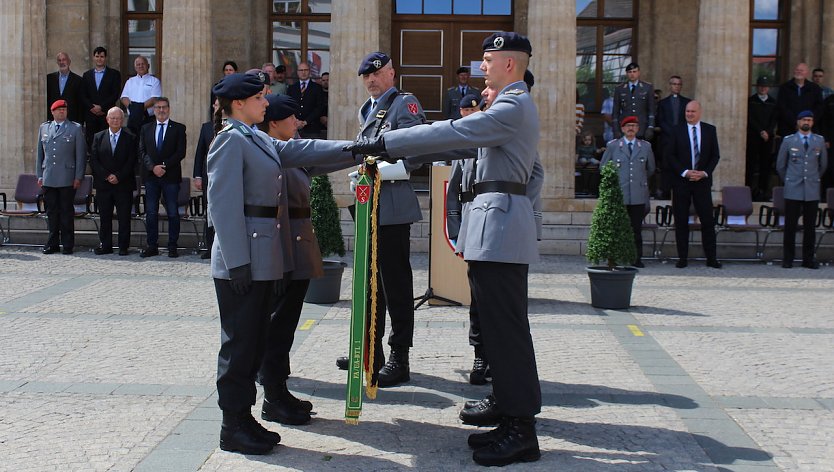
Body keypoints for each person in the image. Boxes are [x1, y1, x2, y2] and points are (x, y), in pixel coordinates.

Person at [345, 32, 542, 467]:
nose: (480, 67)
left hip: (502, 227)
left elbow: (459, 129)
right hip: (494, 226)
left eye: (487, 60)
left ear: (509, 64)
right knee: (495, 326)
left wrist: (389, 143)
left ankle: (521, 429)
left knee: (506, 330)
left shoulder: (512, 103)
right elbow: (460, 143)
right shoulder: (507, 107)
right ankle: (508, 411)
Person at [208, 73, 356, 455]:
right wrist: (238, 262)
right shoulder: (229, 140)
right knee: (239, 345)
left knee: (255, 340)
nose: (266, 102)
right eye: (260, 97)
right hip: (243, 260)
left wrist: (360, 148)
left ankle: (246, 417)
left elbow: (306, 152)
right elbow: (222, 207)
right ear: (238, 104)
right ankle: (233, 424)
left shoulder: (256, 138)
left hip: (262, 258)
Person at [256, 94, 361, 426]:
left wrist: (364, 150)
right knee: (276, 323)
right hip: (282, 247)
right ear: (274, 122)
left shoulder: (292, 149)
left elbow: (326, 158)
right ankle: (272, 395)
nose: (297, 124)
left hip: (297, 245)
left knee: (286, 321)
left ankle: (280, 388)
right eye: (291, 119)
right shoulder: (270, 151)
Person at [334, 51, 427, 389]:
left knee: (395, 284)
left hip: (392, 207)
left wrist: (376, 172)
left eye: (377, 74)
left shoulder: (404, 104)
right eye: (366, 76)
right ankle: (369, 353)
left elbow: (415, 153)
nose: (371, 80)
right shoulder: (367, 110)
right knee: (370, 284)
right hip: (369, 206)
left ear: (391, 73)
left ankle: (399, 356)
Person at [665, 100, 722, 269]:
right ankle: (682, 258)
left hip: (702, 183)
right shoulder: (676, 131)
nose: (689, 114)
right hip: (682, 182)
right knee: (681, 221)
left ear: (699, 112)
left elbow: (715, 155)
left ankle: (711, 258)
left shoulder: (710, 130)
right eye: (687, 111)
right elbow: (670, 155)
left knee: (707, 221)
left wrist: (704, 173)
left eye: (692, 111)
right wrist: (685, 172)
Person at [600, 116, 656, 267]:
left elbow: (651, 169)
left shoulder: (645, 147)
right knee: (617, 229)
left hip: (638, 195)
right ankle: (616, 258)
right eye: (628, 126)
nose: (631, 128)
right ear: (622, 129)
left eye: (634, 126)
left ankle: (636, 258)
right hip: (620, 195)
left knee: (636, 229)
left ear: (638, 129)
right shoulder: (613, 146)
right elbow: (603, 167)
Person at [776, 110, 828, 269]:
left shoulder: (819, 140)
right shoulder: (788, 140)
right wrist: (789, 180)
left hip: (811, 189)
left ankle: (808, 259)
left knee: (810, 227)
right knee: (790, 225)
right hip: (793, 188)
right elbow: (780, 165)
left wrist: (812, 178)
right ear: (798, 122)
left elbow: (823, 165)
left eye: (810, 120)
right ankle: (788, 259)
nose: (807, 122)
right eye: (804, 119)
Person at [138, 97, 186, 258]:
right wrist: (153, 167)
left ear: (169, 108)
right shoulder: (146, 128)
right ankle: (152, 245)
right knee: (151, 212)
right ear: (154, 110)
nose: (161, 110)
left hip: (170, 176)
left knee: (172, 212)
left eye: (164, 107)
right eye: (158, 107)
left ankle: (173, 245)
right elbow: (142, 152)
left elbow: (180, 152)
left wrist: (164, 165)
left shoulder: (178, 128)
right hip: (151, 177)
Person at [37, 100, 86, 255]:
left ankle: (67, 244)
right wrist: (39, 175)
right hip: (49, 177)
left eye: (64, 110)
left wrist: (78, 176)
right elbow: (40, 154)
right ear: (52, 112)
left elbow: (80, 155)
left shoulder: (75, 128)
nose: (62, 112)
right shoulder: (44, 127)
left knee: (66, 212)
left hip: (67, 176)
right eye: (58, 110)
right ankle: (52, 243)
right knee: (51, 212)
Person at [89, 107, 137, 256]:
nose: (115, 121)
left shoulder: (131, 138)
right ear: (107, 119)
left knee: (124, 217)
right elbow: (94, 159)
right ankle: (106, 245)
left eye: (118, 118)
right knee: (105, 217)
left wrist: (118, 176)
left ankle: (123, 246)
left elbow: (132, 161)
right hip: (104, 185)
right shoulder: (98, 137)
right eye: (113, 118)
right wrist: (106, 175)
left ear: (122, 121)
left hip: (123, 184)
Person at [655, 75, 691, 199]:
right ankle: (665, 191)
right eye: (674, 84)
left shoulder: (687, 102)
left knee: (681, 165)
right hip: (667, 139)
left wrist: (679, 133)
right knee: (666, 165)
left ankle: (680, 191)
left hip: (682, 140)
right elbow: (661, 120)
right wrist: (672, 132)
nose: (676, 86)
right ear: (670, 86)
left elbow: (688, 120)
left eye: (678, 84)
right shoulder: (663, 103)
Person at [80, 47, 122, 148]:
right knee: (91, 142)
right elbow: (83, 94)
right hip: (91, 115)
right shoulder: (87, 75)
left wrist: (102, 107)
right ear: (94, 58)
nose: (99, 59)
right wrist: (92, 107)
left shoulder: (114, 74)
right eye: (97, 56)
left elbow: (115, 94)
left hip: (106, 115)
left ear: (106, 58)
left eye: (102, 56)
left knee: (106, 142)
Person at [194, 99, 219, 259]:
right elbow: (199, 154)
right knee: (208, 213)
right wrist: (197, 175)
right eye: (216, 105)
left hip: (224, 177)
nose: (218, 108)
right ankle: (210, 248)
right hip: (208, 177)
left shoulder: (230, 127)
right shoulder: (206, 127)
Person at [746, 76, 777, 200]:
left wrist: (767, 132)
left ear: (768, 88)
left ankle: (763, 190)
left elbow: (774, 119)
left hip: (768, 138)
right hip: (754, 136)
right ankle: (748, 190)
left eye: (765, 86)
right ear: (757, 87)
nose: (763, 88)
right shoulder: (751, 101)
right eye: (761, 86)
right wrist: (760, 131)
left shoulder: (773, 102)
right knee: (751, 164)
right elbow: (750, 118)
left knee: (766, 165)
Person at [776, 63, 823, 138]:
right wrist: (796, 123)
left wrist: (807, 123)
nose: (799, 72)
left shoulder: (815, 88)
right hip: (788, 129)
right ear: (793, 72)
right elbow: (782, 107)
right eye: (797, 70)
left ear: (806, 73)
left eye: (801, 70)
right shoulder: (785, 88)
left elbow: (819, 108)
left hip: (809, 129)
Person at [612, 62, 655, 140]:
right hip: (625, 128)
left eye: (634, 72)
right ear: (627, 74)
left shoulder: (647, 87)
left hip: (642, 128)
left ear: (639, 73)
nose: (632, 74)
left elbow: (651, 110)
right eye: (630, 72)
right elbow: (615, 112)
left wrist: (650, 127)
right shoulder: (620, 89)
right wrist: (616, 129)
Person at [120, 56, 161, 137]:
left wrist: (138, 108)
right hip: (133, 118)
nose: (140, 66)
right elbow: (124, 97)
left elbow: (155, 99)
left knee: (147, 142)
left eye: (143, 64)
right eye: (138, 64)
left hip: (148, 118)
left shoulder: (154, 81)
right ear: (135, 67)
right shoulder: (130, 81)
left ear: (148, 66)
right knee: (132, 143)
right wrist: (133, 109)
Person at [287, 62, 326, 138]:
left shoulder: (317, 88)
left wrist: (305, 122)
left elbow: (319, 107)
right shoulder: (291, 88)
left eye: (305, 70)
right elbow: (289, 106)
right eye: (301, 70)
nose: (303, 72)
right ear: (297, 72)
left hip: (312, 128)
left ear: (309, 71)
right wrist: (296, 121)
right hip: (294, 127)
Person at [46, 52, 83, 123]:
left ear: (69, 62)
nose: (61, 62)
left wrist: (80, 122)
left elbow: (80, 103)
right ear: (57, 62)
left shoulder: (78, 80)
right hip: (53, 119)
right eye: (59, 60)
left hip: (71, 119)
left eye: (64, 60)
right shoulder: (49, 78)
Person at [320, 71, 329, 137]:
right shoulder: (317, 93)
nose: (325, 82)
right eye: (323, 80)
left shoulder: (337, 94)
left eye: (327, 80)